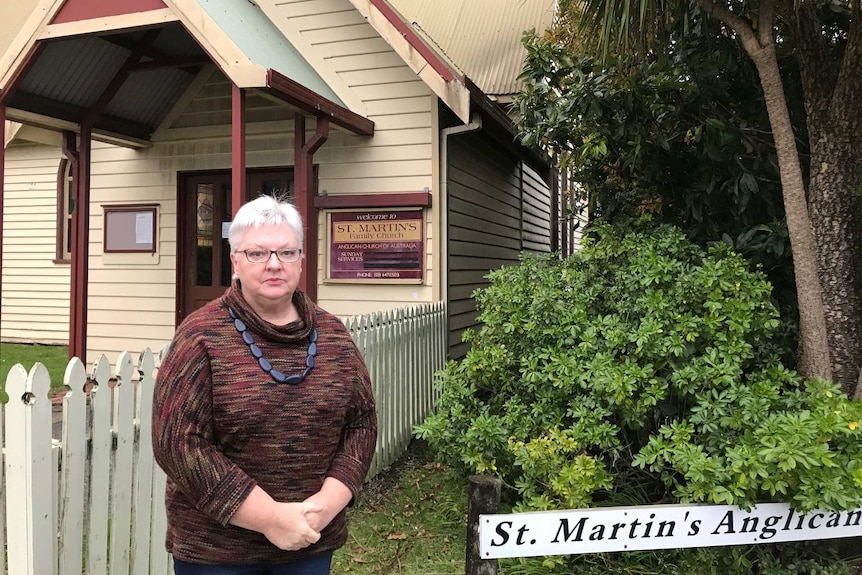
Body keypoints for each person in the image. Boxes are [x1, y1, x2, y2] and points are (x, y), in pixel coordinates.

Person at [152, 195, 377, 575]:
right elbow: (177, 443)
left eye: (287, 252)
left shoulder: (334, 336)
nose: (274, 263)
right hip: (217, 553)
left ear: (302, 260)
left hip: (310, 541)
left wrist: (324, 506)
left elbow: (362, 423)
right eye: (257, 253)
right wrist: (270, 518)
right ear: (235, 261)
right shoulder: (200, 337)